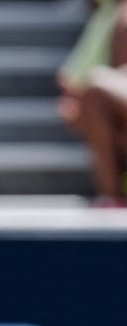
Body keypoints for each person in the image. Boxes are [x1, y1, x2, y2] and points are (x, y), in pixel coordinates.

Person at [57, 0, 127, 207]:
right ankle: (111, 196)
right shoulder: (108, 17)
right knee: (95, 93)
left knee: (97, 86)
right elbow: (70, 84)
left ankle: (111, 195)